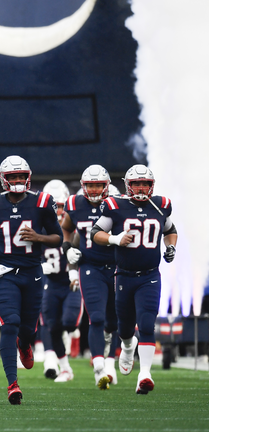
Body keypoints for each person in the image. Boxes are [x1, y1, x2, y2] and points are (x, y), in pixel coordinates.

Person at [0, 155, 63, 405]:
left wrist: (39, 237)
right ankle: (12, 384)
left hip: (33, 272)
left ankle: (25, 344)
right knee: (10, 323)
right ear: (3, 179)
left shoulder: (42, 202)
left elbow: (58, 237)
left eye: (20, 176)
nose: (17, 180)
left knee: (27, 329)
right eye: (12, 177)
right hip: (4, 273)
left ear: (28, 177)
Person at [91, 164, 178, 394]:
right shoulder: (116, 205)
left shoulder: (160, 205)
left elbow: (170, 230)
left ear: (152, 185)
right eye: (136, 183)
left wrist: (171, 247)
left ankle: (145, 375)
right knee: (126, 327)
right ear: (128, 185)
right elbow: (95, 233)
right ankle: (128, 347)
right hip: (124, 276)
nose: (141, 188)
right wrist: (115, 238)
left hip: (150, 275)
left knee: (147, 323)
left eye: (145, 184)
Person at [61, 165, 121, 389]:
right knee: (96, 317)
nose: (95, 190)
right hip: (90, 267)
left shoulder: (117, 202)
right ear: (83, 186)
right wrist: (68, 249)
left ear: (107, 186)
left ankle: (110, 363)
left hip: (116, 266)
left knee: (113, 320)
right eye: (90, 185)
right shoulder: (76, 204)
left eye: (98, 185)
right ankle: (98, 367)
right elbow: (67, 228)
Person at [39, 180, 83, 383]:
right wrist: (39, 265)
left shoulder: (73, 225)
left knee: (69, 322)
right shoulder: (39, 224)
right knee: (52, 326)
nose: (57, 210)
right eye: (53, 205)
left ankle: (74, 334)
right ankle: (65, 368)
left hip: (72, 283)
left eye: (61, 205)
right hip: (50, 284)